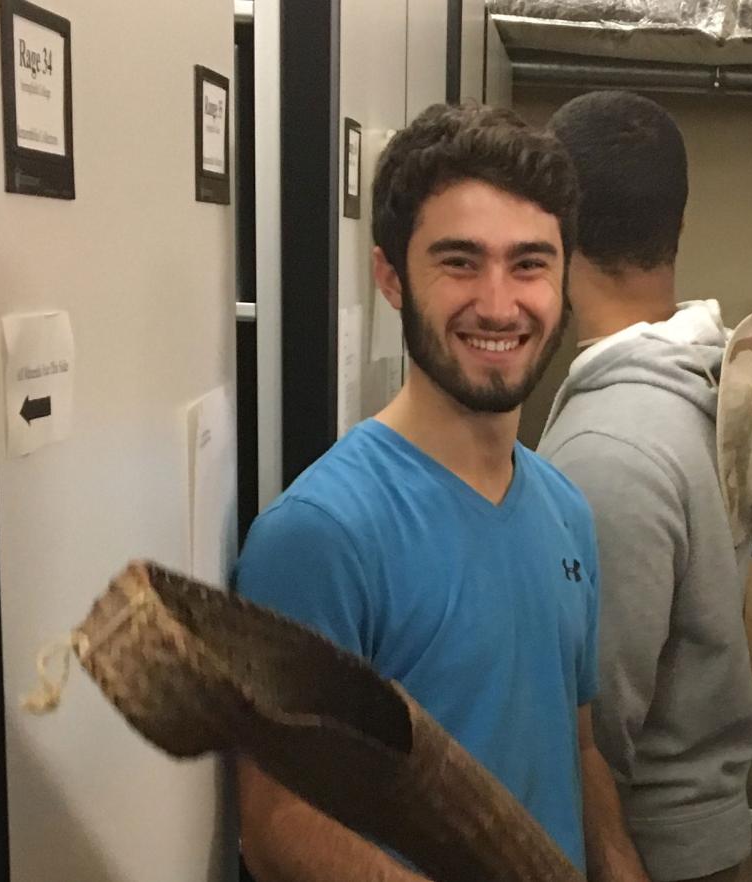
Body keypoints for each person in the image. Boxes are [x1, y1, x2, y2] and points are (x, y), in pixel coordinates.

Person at [233, 103, 647, 882]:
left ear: (563, 278)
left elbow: (576, 744)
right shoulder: (320, 534)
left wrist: (622, 866)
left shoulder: (565, 510)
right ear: (392, 277)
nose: (498, 304)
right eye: (459, 262)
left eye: (529, 264)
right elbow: (279, 822)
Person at [538, 90, 752, 882]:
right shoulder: (702, 381)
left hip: (640, 850)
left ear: (554, 222)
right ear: (677, 223)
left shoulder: (610, 445)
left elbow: (594, 720)